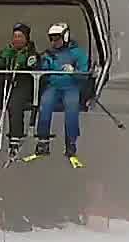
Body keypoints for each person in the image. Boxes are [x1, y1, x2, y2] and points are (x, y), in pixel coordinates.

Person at [30, 21, 91, 167]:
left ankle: (71, 142)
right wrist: (36, 63)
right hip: (54, 85)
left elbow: (84, 74)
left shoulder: (77, 53)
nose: (53, 41)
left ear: (65, 36)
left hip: (71, 85)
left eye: (57, 38)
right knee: (45, 104)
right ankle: (43, 141)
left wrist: (74, 71)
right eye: (51, 38)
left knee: (71, 107)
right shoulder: (50, 53)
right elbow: (44, 67)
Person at [0, 23, 40, 155]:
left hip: (23, 84)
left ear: (26, 38)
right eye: (15, 36)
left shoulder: (31, 53)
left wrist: (26, 64)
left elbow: (35, 66)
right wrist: (0, 61)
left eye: (20, 36)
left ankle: (15, 136)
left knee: (15, 104)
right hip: (6, 81)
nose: (17, 39)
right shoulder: (7, 50)